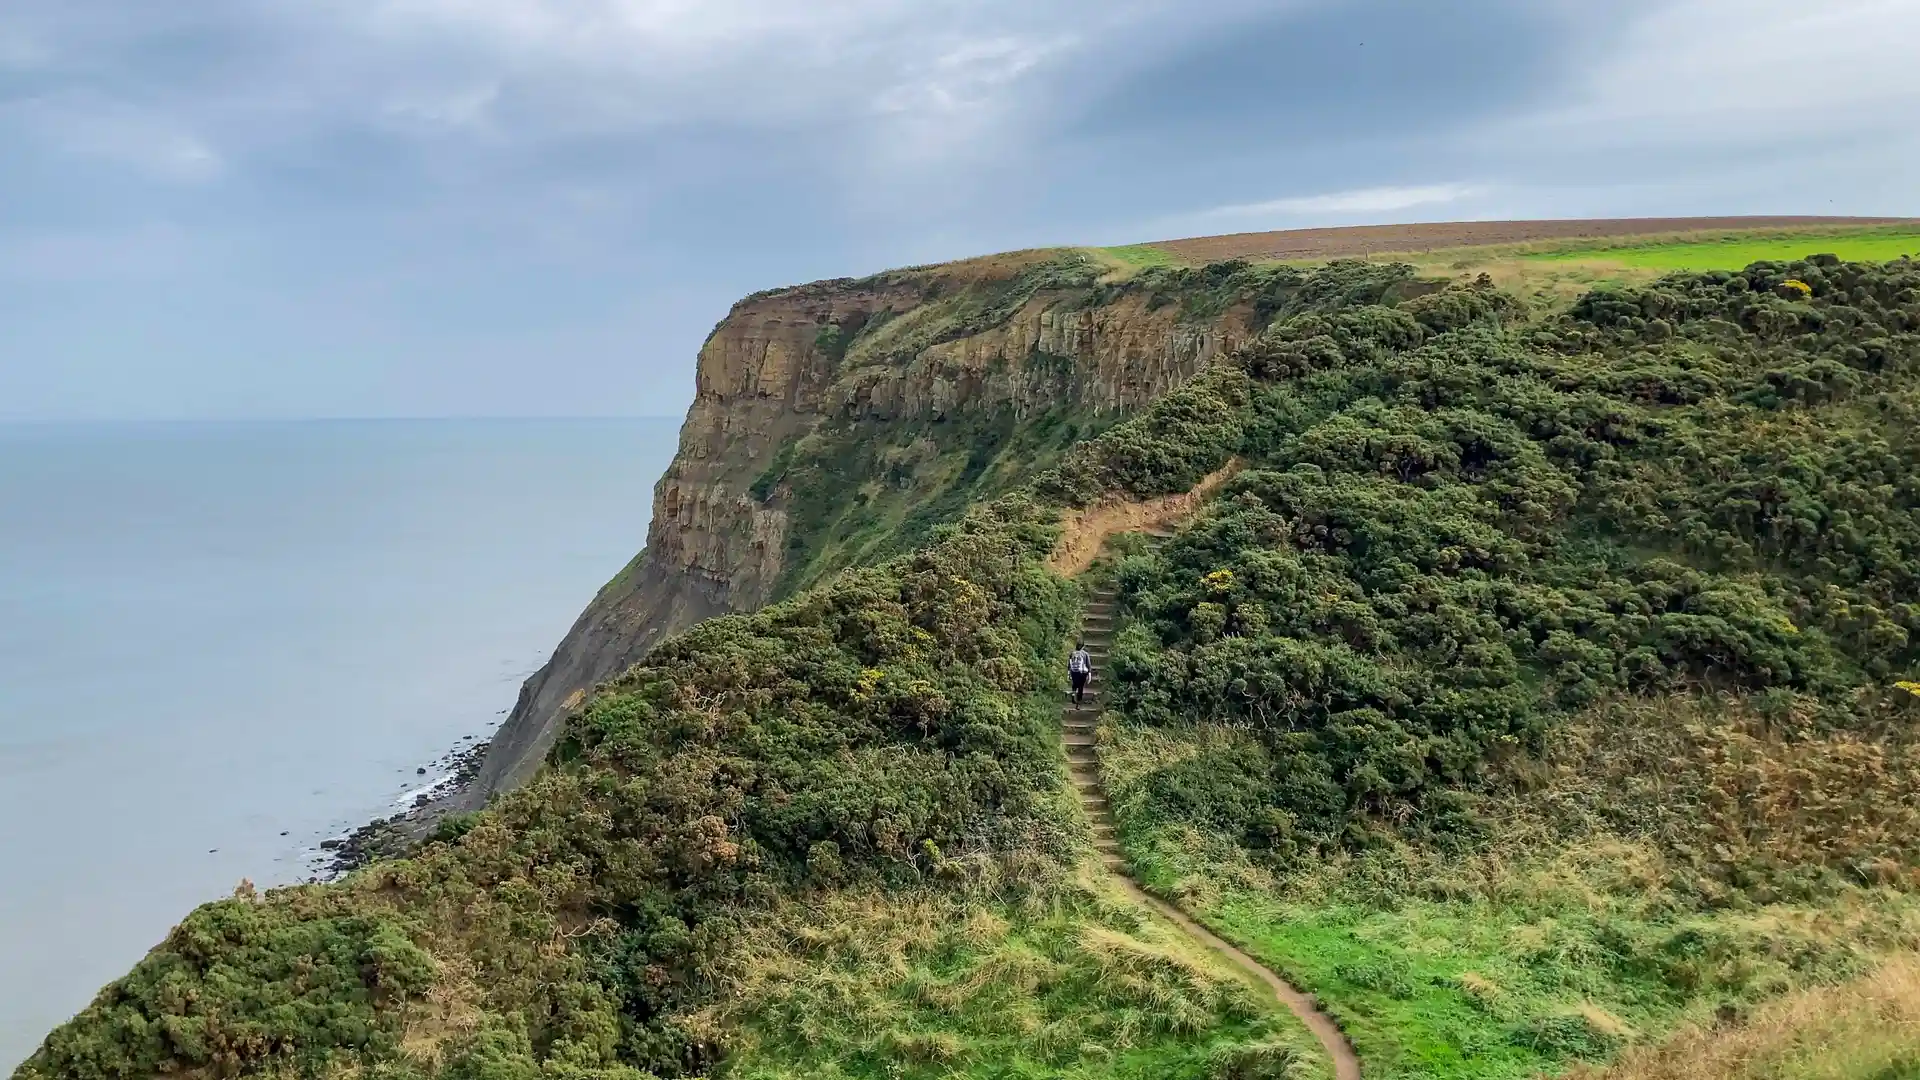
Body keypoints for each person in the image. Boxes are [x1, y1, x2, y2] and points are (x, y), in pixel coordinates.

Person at [1068, 642, 1094, 707]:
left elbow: (1069, 664)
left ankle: (1073, 696)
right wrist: (1089, 674)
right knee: (1080, 686)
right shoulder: (1085, 654)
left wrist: (1068, 673)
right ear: (1083, 647)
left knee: (1074, 684)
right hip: (1082, 673)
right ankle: (1079, 700)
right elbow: (1088, 665)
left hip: (1073, 671)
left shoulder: (1072, 653)